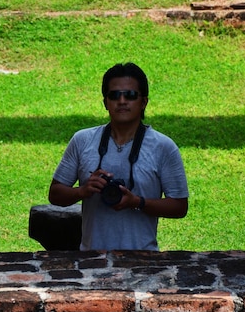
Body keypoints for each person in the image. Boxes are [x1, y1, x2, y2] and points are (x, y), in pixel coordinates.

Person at [48, 62, 189, 251]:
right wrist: (82, 191)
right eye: (114, 95)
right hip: (91, 258)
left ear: (144, 102)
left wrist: (137, 202)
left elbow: (179, 206)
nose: (122, 101)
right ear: (105, 102)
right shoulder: (82, 140)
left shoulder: (163, 147)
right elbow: (55, 194)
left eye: (130, 95)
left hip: (143, 258)